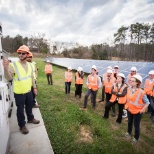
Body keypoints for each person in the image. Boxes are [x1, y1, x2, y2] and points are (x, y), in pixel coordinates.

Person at [3, 45, 40, 135]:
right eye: (19, 53)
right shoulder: (13, 65)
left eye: (23, 53)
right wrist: (5, 68)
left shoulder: (31, 65)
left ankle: (30, 118)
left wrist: (34, 88)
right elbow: (8, 78)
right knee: (20, 110)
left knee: (29, 106)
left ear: (27, 54)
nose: (21, 55)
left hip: (28, 91)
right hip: (19, 93)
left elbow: (32, 78)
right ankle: (22, 125)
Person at [125, 75, 149, 143]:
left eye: (132, 81)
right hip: (129, 109)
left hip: (137, 112)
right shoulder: (129, 89)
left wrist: (142, 110)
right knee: (129, 122)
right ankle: (129, 132)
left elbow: (147, 103)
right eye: (130, 80)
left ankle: (136, 137)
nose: (130, 82)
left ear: (137, 83)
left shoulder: (141, 92)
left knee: (136, 125)